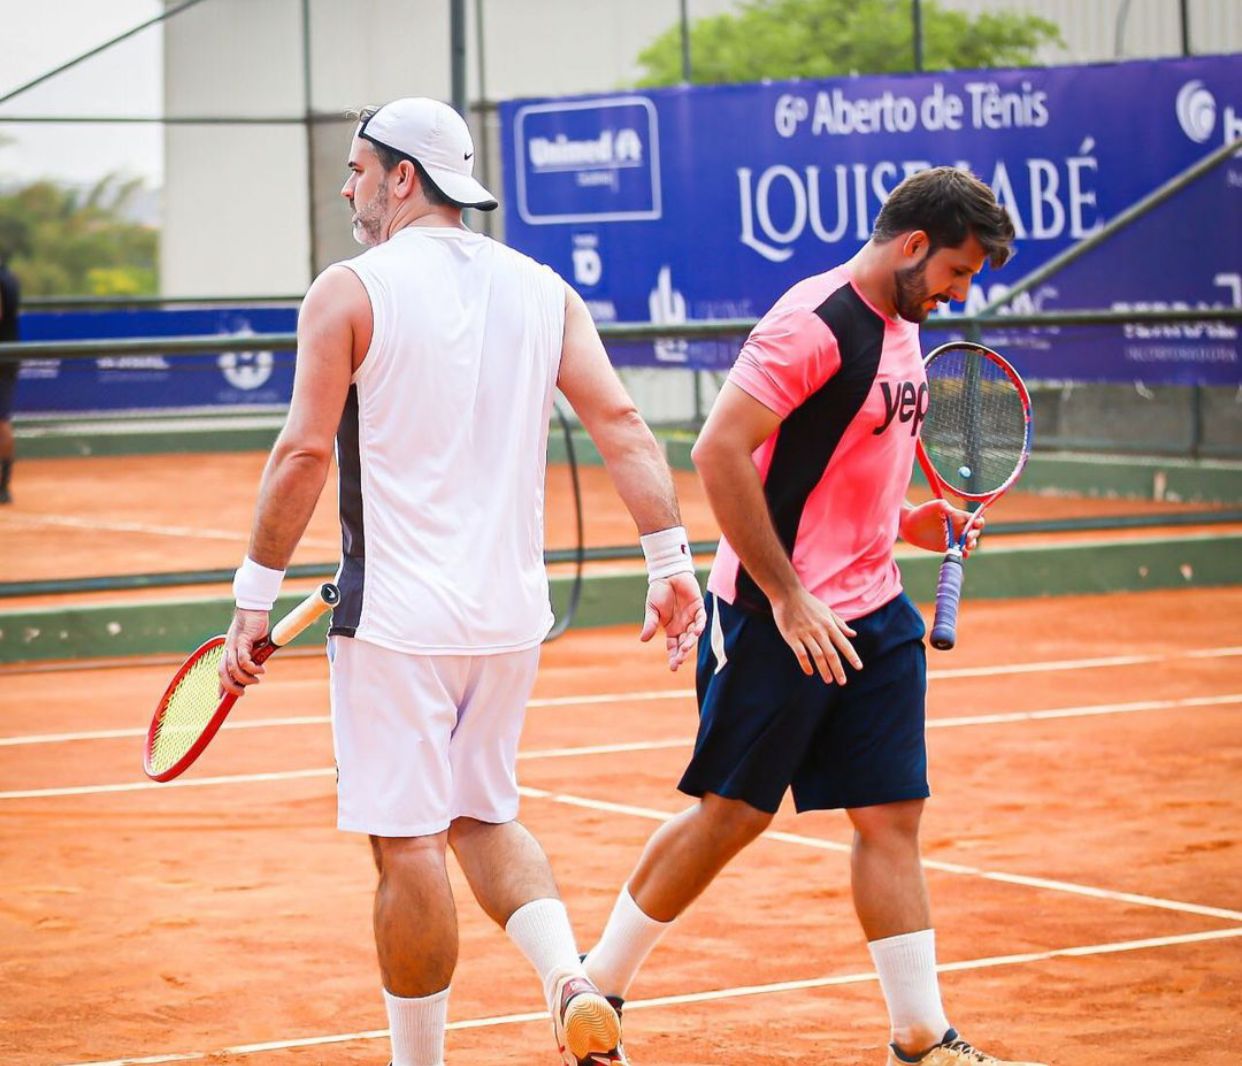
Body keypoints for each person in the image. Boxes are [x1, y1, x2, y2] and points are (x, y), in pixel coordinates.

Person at [219, 97, 704, 1066]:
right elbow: (624, 426)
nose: (348, 185)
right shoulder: (544, 288)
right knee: (484, 814)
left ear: (406, 177)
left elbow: (303, 452)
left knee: (407, 845)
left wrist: (252, 595)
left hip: (397, 622)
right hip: (508, 618)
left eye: (360, 168)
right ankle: (571, 977)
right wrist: (670, 563)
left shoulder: (347, 290)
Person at [582, 167, 1045, 1066]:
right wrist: (789, 596)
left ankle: (921, 1036)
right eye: (957, 272)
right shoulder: (813, 322)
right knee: (731, 816)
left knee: (890, 816)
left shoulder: (905, 327)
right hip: (774, 614)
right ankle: (592, 987)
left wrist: (912, 521)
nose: (959, 293)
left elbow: (852, 460)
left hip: (875, 613)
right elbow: (718, 453)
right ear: (914, 246)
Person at [0, 252, 20, 505]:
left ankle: (3, 484)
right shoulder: (9, 275)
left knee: (1, 421)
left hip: (3, 358)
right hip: (9, 355)